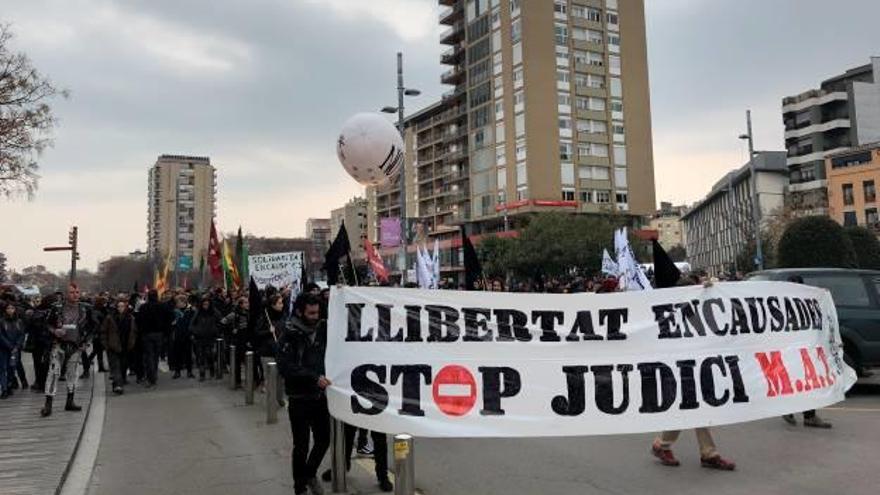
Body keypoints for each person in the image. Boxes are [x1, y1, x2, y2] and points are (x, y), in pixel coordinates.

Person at [277, 293, 331, 495]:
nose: (315, 316)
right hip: (299, 399)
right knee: (301, 445)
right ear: (299, 311)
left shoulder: (323, 329)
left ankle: (309, 473)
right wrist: (313, 377)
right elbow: (285, 367)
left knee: (324, 439)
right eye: (311, 313)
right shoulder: (289, 334)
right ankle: (299, 487)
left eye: (317, 312)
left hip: (320, 397)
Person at [782, 275, 832, 428]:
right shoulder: (782, 303)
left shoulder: (809, 302)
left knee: (809, 382)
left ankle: (808, 415)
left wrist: (822, 296)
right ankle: (792, 410)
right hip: (793, 349)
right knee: (798, 380)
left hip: (807, 348)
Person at [41, 283, 95, 417]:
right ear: (66, 294)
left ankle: (70, 401)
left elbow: (94, 327)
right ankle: (48, 404)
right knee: (53, 373)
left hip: (76, 346)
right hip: (58, 344)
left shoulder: (85, 308)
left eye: (77, 292)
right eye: (72, 292)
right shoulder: (56, 308)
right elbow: (46, 324)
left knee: (73, 373)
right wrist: (55, 331)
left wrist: (86, 342)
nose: (75, 294)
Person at [136, 290, 174, 388]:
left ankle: (151, 377)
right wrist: (166, 331)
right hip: (159, 334)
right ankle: (154, 375)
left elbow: (138, 320)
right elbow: (170, 318)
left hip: (147, 334)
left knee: (149, 356)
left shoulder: (144, 307)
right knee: (156, 356)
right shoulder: (163, 306)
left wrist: (141, 332)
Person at [100, 299, 138, 394]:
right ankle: (118, 385)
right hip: (113, 346)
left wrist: (132, 343)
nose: (121, 308)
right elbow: (103, 331)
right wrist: (106, 344)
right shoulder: (110, 318)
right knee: (115, 366)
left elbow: (134, 332)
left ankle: (118, 383)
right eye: (119, 306)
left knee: (123, 366)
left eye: (122, 306)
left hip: (125, 345)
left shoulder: (130, 318)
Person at [254, 293, 284, 398]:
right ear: (273, 305)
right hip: (267, 352)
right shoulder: (264, 318)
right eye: (279, 303)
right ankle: (271, 403)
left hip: (279, 351)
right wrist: (268, 331)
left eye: (282, 303)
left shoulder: (282, 317)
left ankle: (279, 398)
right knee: (270, 378)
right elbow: (257, 333)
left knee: (280, 378)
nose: (282, 305)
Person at [221, 297, 250, 389]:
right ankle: (237, 381)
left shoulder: (248, 314)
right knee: (237, 362)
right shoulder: (234, 314)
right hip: (237, 341)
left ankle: (248, 381)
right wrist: (231, 330)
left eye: (247, 302)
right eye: (245, 303)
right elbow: (223, 322)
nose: (247, 304)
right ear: (241, 305)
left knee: (248, 361)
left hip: (246, 340)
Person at [190, 297, 221, 381]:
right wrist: (196, 332)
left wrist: (216, 330)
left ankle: (212, 371)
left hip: (211, 337)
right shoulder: (198, 313)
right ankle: (202, 374)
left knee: (210, 355)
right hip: (200, 338)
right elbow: (191, 325)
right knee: (201, 356)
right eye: (204, 304)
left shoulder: (214, 312)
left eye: (207, 304)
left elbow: (220, 322)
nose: (205, 306)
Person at [1, 302, 25, 399]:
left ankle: (9, 384)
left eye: (12, 308)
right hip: (3, 348)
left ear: (15, 310)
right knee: (2, 369)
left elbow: (22, 334)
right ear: (5, 310)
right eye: (8, 308)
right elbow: (1, 336)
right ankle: (4, 389)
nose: (10, 310)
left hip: (15, 349)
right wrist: (9, 345)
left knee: (12, 368)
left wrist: (17, 346)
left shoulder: (19, 321)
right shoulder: (1, 321)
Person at [171, 294, 196, 379]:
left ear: (183, 302)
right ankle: (177, 372)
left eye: (178, 302)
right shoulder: (175, 311)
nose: (177, 304)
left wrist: (192, 333)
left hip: (187, 335)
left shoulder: (191, 310)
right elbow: (171, 322)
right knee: (177, 354)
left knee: (188, 354)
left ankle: (189, 372)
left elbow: (193, 323)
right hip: (178, 334)